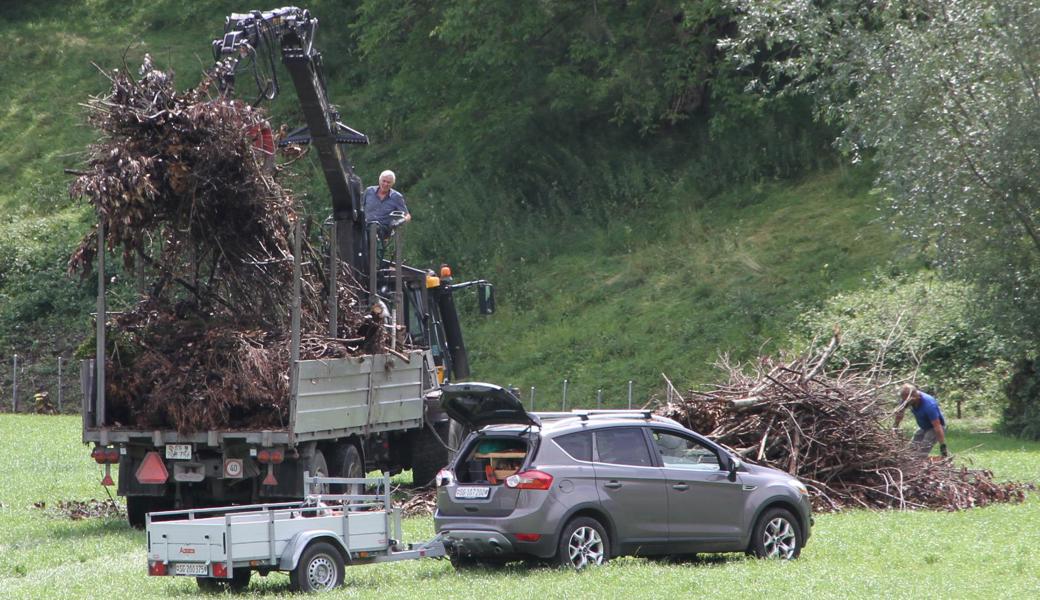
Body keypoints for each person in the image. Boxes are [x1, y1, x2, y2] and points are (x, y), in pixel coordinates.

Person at [893, 383, 949, 458]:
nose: (905, 402)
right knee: (910, 450)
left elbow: (937, 426)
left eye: (907, 400)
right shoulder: (906, 398)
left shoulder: (929, 405)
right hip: (924, 427)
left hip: (934, 428)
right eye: (904, 400)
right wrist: (895, 427)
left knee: (921, 452)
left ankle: (918, 466)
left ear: (915, 397)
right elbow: (900, 413)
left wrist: (942, 446)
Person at [362, 169, 410, 237]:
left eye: (388, 182)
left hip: (384, 228)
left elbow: (407, 216)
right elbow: (360, 207)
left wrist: (399, 222)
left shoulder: (396, 197)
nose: (385, 184)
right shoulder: (369, 191)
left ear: (392, 183)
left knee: (373, 230)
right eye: (384, 181)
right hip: (366, 225)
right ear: (379, 180)